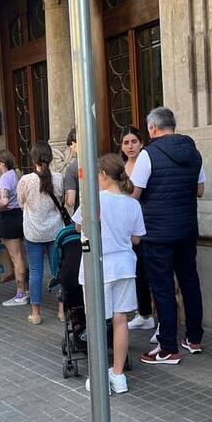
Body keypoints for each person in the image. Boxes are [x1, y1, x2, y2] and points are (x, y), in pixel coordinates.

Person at [131, 107, 205, 365]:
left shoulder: (147, 155)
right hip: (186, 229)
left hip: (157, 232)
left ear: (152, 128)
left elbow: (134, 195)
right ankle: (194, 338)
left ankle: (168, 348)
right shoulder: (194, 152)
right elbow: (200, 190)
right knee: (189, 281)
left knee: (162, 287)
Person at [78, 154, 146, 394]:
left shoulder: (93, 200)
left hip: (98, 266)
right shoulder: (132, 203)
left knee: (96, 322)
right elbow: (137, 238)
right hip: (125, 266)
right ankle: (118, 375)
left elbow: (79, 226)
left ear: (103, 174)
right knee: (121, 321)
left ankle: (98, 377)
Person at [17, 142, 65, 325]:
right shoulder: (58, 178)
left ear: (33, 158)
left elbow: (21, 202)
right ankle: (62, 310)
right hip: (54, 231)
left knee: (36, 271)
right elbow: (60, 201)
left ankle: (35, 313)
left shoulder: (26, 180)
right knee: (58, 270)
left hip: (33, 231)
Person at [120, 126, 156, 332]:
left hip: (147, 224)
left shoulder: (146, 161)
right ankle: (143, 314)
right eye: (126, 142)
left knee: (151, 271)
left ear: (141, 142)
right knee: (137, 271)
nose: (130, 146)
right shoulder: (122, 167)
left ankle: (155, 318)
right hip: (127, 227)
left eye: (134, 141)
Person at [0, 150, 29, 307]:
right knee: (21, 255)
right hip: (19, 216)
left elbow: (4, 201)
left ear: (2, 163)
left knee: (16, 257)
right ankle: (25, 290)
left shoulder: (5, 177)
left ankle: (21, 293)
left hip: (9, 219)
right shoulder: (16, 174)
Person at [63, 128, 79, 210]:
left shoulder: (72, 169)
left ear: (74, 144)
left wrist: (65, 195)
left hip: (81, 216)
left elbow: (70, 201)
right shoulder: (101, 163)